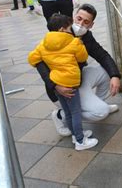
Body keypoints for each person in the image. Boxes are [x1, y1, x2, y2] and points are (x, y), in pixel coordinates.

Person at [34, 3, 121, 136]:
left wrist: (115, 75)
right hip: (62, 88)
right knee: (101, 113)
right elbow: (40, 63)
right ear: (74, 16)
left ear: (91, 25)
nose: (81, 24)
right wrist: (55, 86)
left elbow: (102, 55)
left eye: (86, 22)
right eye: (79, 18)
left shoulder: (86, 37)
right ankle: (61, 115)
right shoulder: (58, 33)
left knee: (106, 71)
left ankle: (97, 103)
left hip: (77, 79)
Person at [28, 14, 98, 150]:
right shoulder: (73, 42)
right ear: (61, 29)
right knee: (76, 112)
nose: (71, 30)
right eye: (68, 27)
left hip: (56, 82)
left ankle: (75, 135)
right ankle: (80, 141)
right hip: (70, 83)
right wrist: (80, 45)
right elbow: (82, 58)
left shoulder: (42, 44)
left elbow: (32, 59)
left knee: (68, 112)